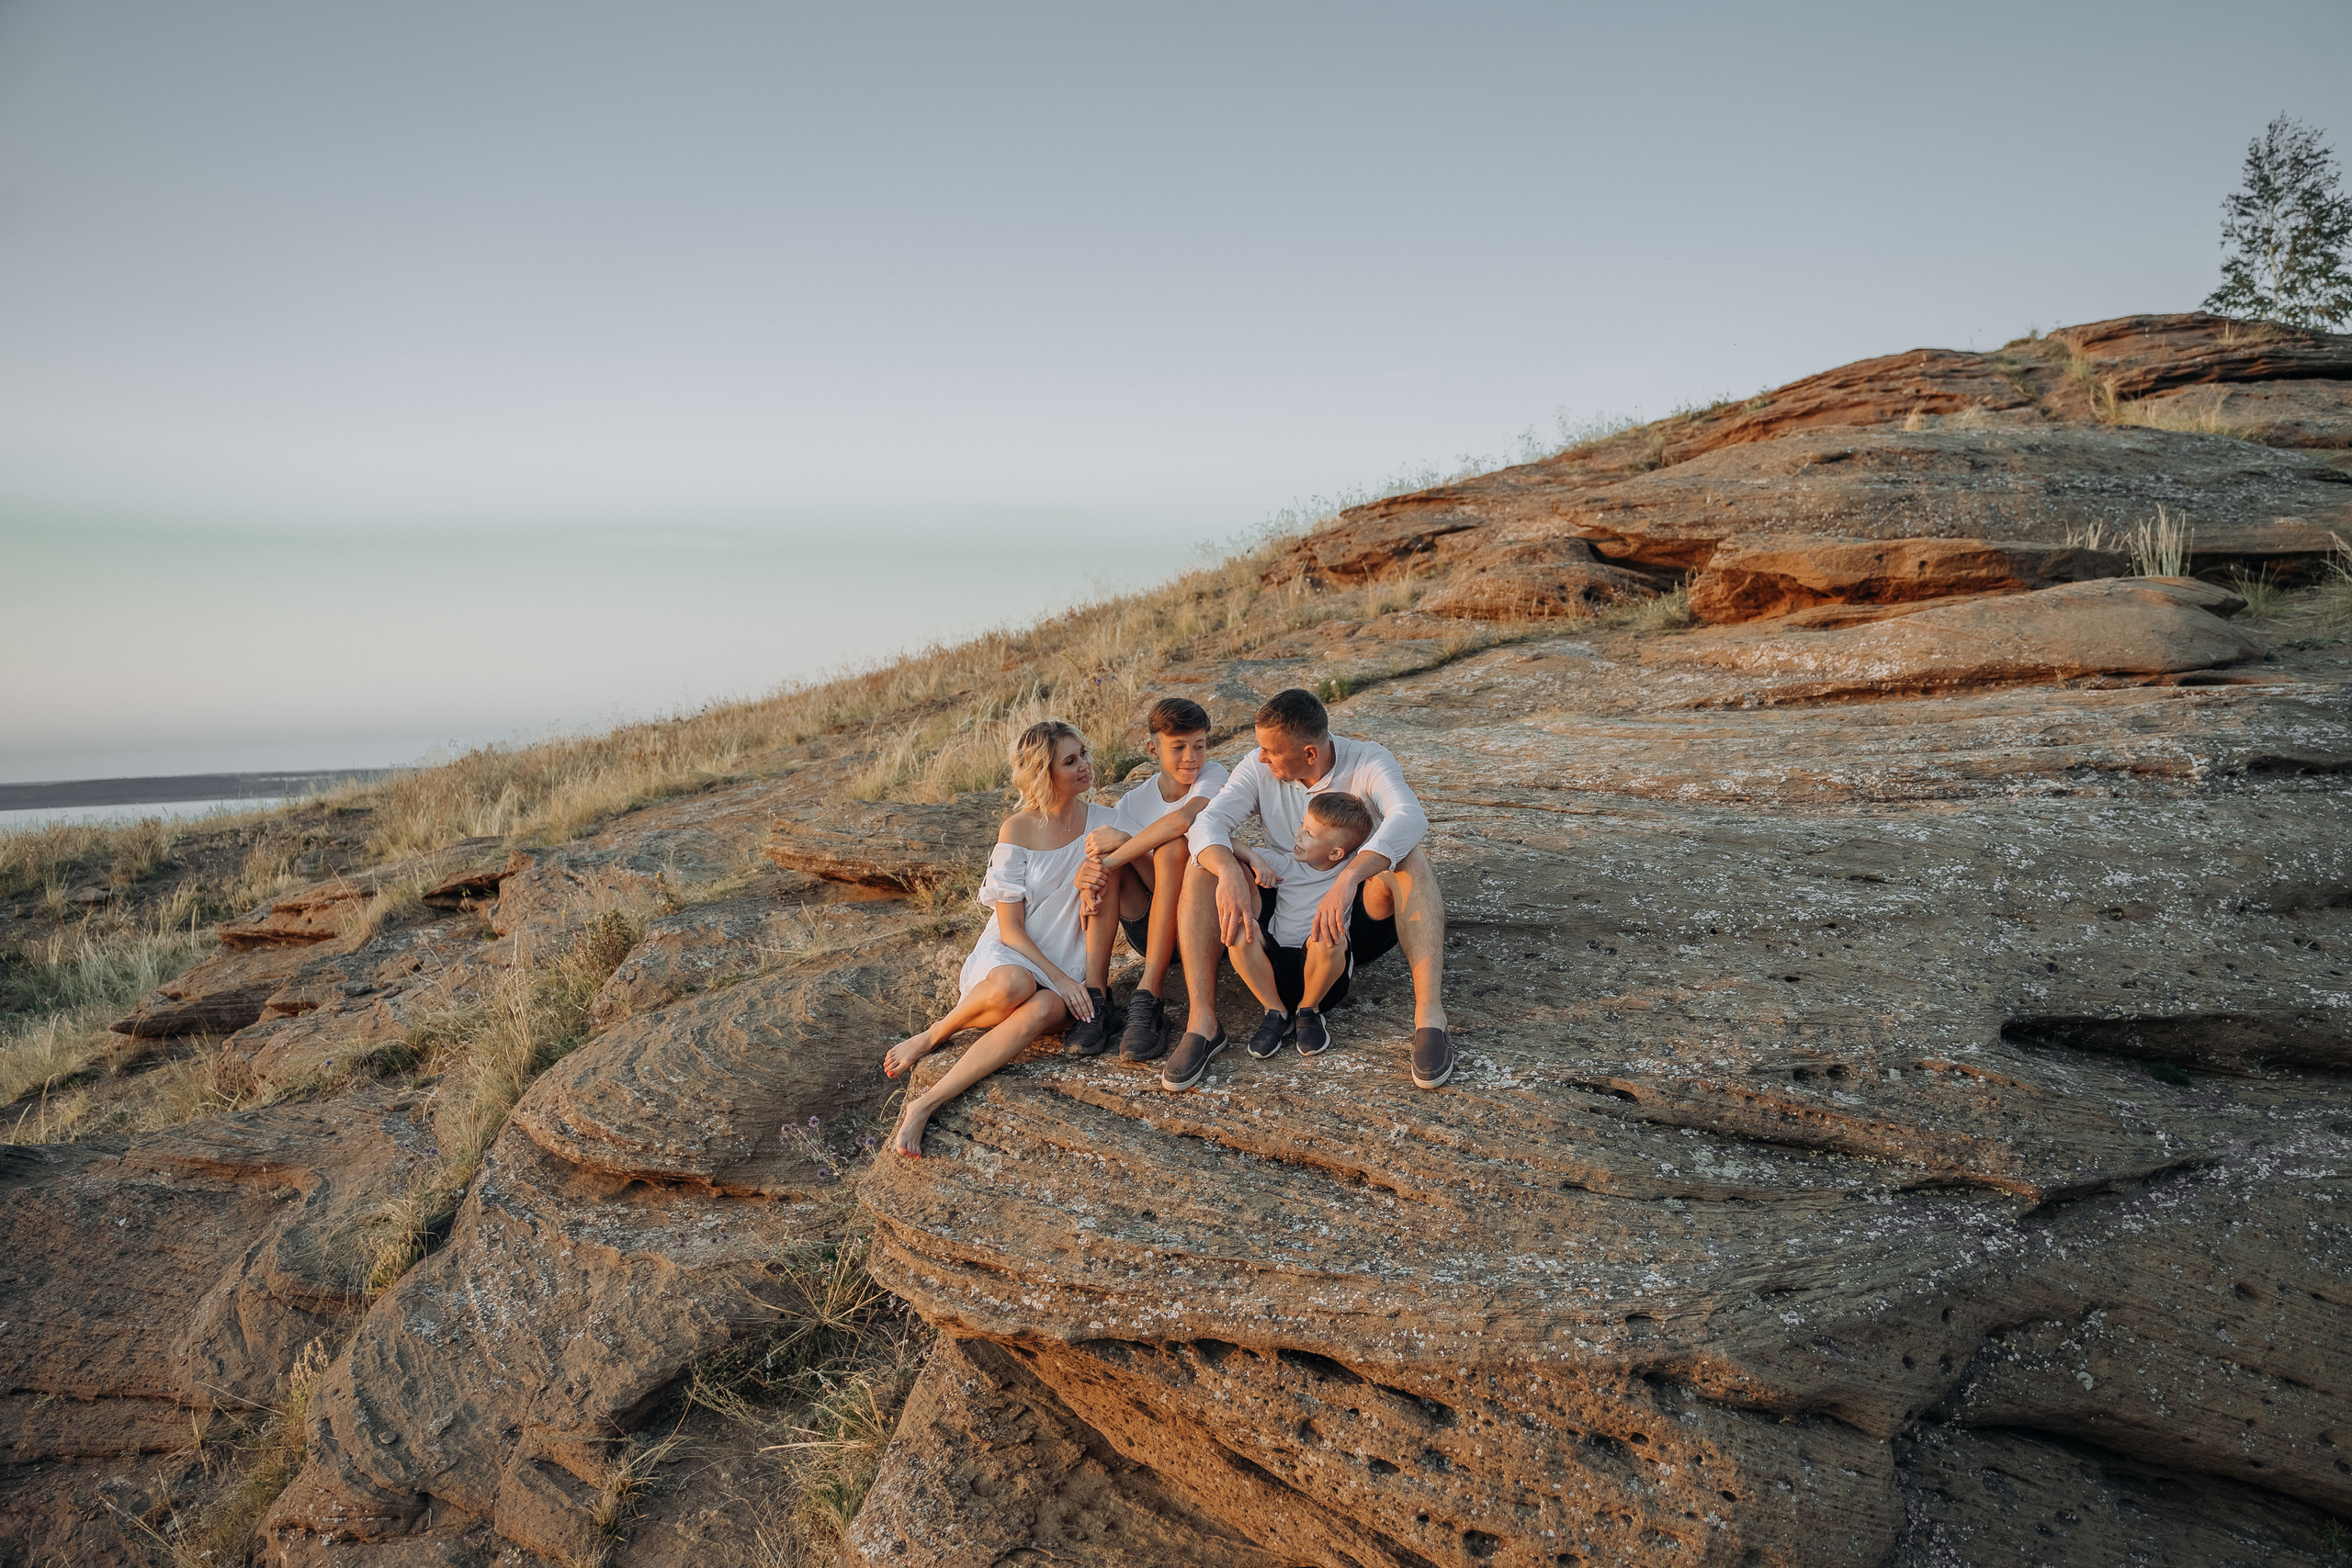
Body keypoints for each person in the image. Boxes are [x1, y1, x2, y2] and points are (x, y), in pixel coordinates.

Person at [1167, 687, 1454, 1093]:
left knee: (1408, 856)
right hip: (1286, 903)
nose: (1261, 757)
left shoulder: (1368, 759)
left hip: (1358, 916)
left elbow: (1409, 816)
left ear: (1310, 753)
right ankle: (1203, 1023)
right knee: (1204, 866)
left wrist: (1349, 877)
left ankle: (1429, 1018)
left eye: (1271, 750)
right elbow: (1207, 822)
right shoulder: (1257, 767)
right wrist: (1229, 871)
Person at [881, 719, 1123, 1156]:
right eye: (1070, 761)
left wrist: (1071, 980)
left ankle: (927, 1102)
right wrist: (1065, 980)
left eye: (1083, 754)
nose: (1085, 766)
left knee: (1045, 1006)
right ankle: (935, 1037)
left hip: (1067, 958)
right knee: (1018, 985)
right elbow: (1010, 928)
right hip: (1013, 953)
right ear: (1042, 773)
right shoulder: (1017, 830)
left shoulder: (1105, 821)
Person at [1070, 696, 1228, 1062]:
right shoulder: (1133, 803)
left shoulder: (1214, 776)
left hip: (1198, 924)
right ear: (1152, 749)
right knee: (1111, 866)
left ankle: (1150, 994)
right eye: (1178, 747)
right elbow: (1142, 876)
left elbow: (1182, 820)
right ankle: (1096, 998)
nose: (1192, 756)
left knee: (1173, 847)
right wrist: (1092, 873)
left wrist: (1121, 846)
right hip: (1149, 923)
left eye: (1199, 746)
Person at [1218, 790, 1374, 1062]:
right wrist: (1255, 860)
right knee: (1241, 932)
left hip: (1324, 977)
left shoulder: (1353, 869)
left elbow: (1392, 851)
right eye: (1302, 824)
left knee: (1329, 936)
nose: (1298, 834)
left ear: (1337, 852)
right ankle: (1276, 1013)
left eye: (1310, 834)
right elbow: (1223, 841)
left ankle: (1308, 1013)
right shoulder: (1283, 863)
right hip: (1274, 970)